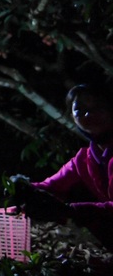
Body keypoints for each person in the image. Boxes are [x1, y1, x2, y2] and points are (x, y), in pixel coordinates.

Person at [12, 83, 113, 250]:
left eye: (97, 107)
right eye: (79, 111)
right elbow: (51, 186)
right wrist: (22, 187)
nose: (88, 114)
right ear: (73, 117)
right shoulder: (84, 159)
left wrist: (69, 211)